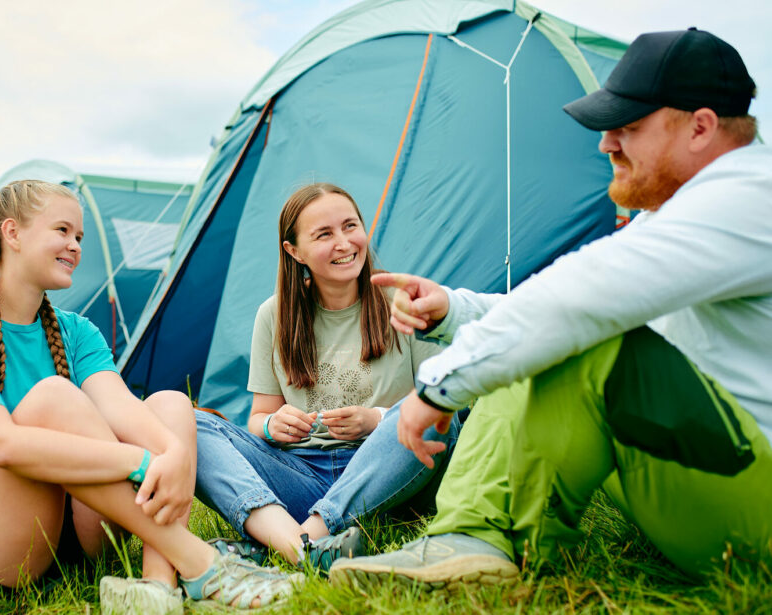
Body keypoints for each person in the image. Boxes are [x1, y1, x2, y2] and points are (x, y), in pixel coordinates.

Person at [329, 28, 772, 591]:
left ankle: (479, 537)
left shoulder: (750, 195)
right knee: (543, 332)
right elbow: (560, 304)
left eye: (628, 127)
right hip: (725, 480)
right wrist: (453, 313)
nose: (606, 144)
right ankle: (471, 539)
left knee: (573, 332)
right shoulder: (687, 211)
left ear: (701, 126)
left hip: (757, 514)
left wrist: (436, 387)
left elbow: (580, 299)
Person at [0, 180, 298, 613]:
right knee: (54, 398)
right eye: (62, 231)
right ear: (12, 233)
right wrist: (143, 463)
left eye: (79, 237)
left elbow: (119, 406)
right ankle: (201, 562)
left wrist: (173, 452)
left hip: (81, 533)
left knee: (170, 406)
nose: (75, 246)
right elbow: (1, 445)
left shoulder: (77, 332)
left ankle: (157, 587)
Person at [194, 183, 463, 572]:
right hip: (301, 473)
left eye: (350, 226)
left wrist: (378, 420)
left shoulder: (403, 300)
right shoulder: (274, 315)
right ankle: (306, 541)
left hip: (386, 475)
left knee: (435, 408)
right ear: (294, 251)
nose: (344, 243)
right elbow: (257, 418)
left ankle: (299, 539)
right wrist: (272, 425)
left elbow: (444, 398)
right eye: (324, 234)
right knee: (190, 423)